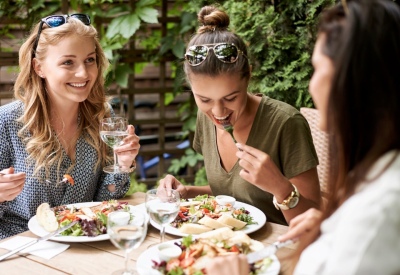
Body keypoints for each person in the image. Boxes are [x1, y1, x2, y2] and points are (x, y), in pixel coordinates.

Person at [205, 0, 400, 274]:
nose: (311, 83)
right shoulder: (374, 179)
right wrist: (329, 228)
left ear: (354, 81)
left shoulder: (377, 213)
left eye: (318, 67)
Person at [159, 5, 321, 225]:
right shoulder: (204, 118)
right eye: (205, 100)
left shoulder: (286, 123)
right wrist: (187, 192)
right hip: (227, 248)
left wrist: (280, 187)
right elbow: (234, 196)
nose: (218, 113)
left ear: (248, 76)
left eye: (230, 98)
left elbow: (314, 223)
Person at [0, 14, 140, 239]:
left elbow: (104, 202)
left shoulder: (102, 117)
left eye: (90, 60)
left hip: (80, 247)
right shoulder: (6, 122)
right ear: (39, 67)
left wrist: (122, 165)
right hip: (20, 250)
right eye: (68, 62)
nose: (84, 73)